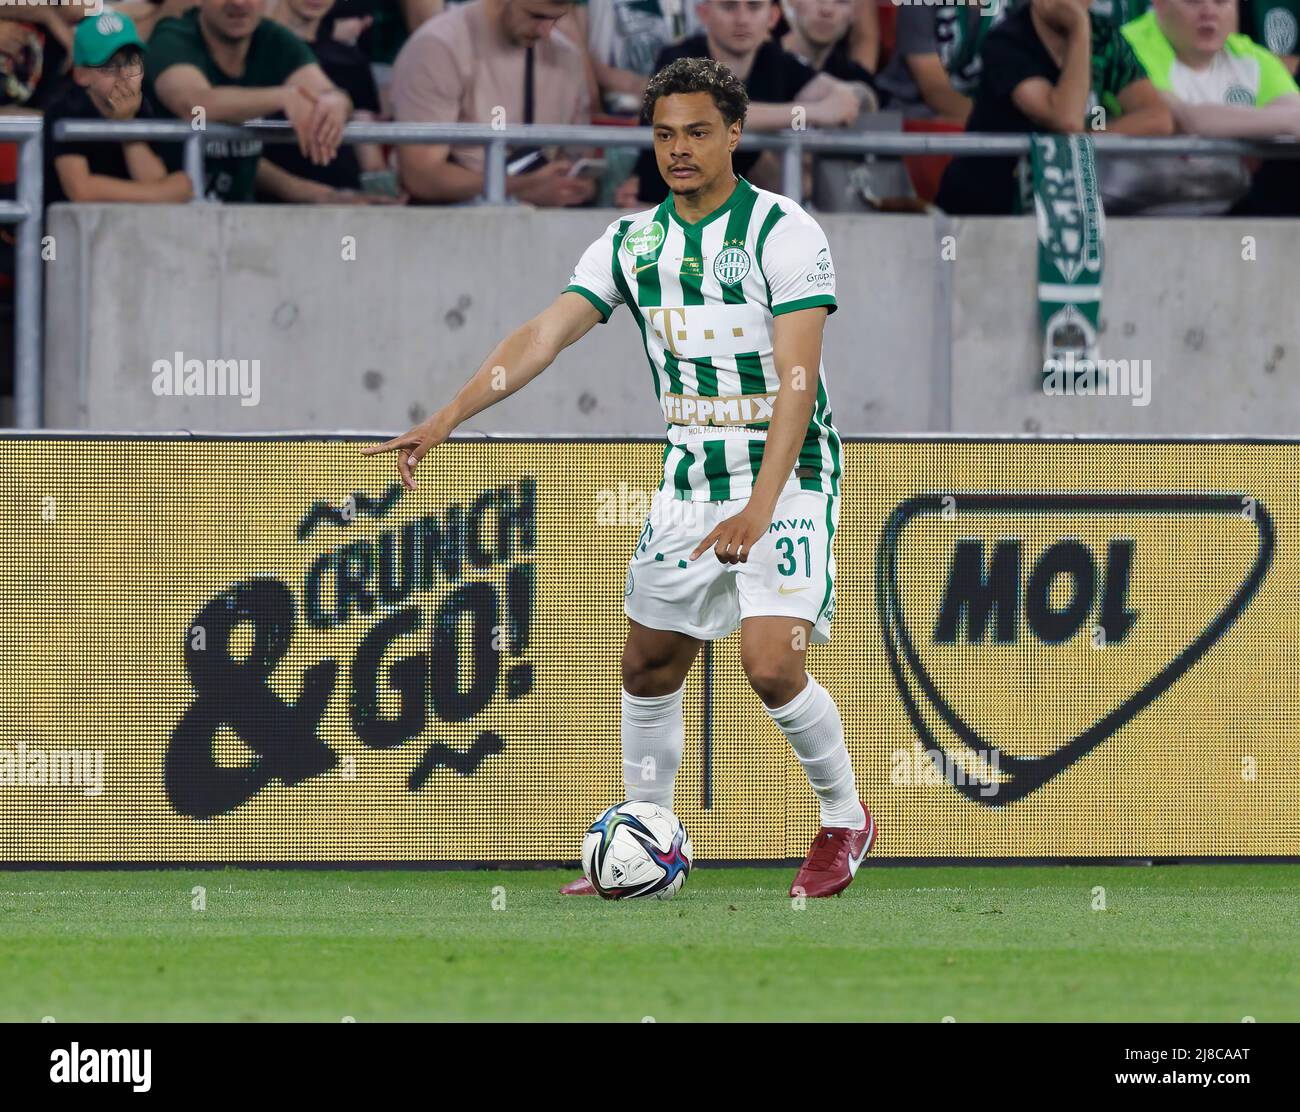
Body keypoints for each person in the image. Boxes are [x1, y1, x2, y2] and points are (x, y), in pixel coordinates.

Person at [364, 56, 874, 900]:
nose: (680, 149)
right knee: (647, 665)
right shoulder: (632, 241)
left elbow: (796, 381)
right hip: (688, 474)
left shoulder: (784, 232)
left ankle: (844, 817)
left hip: (786, 471)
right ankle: (643, 840)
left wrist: (756, 506)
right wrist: (448, 415)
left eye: (699, 132)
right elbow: (544, 334)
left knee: (769, 665)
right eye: (665, 133)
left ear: (735, 133)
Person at [616, 0, 866, 206]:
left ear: (773, 17)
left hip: (734, 222)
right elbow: (709, 113)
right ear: (704, 13)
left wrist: (836, 103)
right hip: (659, 212)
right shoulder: (676, 59)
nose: (742, 19)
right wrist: (811, 112)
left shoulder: (777, 62)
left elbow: (847, 99)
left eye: (754, 6)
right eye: (729, 6)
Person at [935, 0, 1173, 215]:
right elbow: (1066, 120)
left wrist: (1088, 139)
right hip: (984, 212)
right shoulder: (1006, 41)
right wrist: (1079, 30)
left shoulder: (1105, 37)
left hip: (1065, 207)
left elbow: (1158, 118)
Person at [145, 0, 357, 203]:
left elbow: (328, 92)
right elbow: (196, 106)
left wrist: (335, 103)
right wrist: (284, 96)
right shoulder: (173, 37)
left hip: (240, 217)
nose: (238, 2)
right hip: (161, 219)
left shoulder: (271, 37)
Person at [391, 0, 596, 206]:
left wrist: (577, 184)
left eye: (555, 19)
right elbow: (421, 176)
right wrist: (524, 188)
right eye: (536, 16)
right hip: (453, 217)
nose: (546, 31)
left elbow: (577, 159)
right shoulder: (438, 46)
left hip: (547, 220)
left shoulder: (567, 58)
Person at [1121, 0, 1300, 213]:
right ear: (1158, 3)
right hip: (1135, 211)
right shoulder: (1128, 45)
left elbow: (1293, 110)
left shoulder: (1251, 56)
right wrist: (1285, 121)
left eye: (1221, 2)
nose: (1209, 12)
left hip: (1225, 208)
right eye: (1192, 1)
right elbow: (1185, 118)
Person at [43, 12, 194, 204]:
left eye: (131, 62)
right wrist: (163, 192)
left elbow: (160, 182)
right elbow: (81, 191)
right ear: (81, 75)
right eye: (110, 65)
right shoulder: (65, 108)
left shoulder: (148, 102)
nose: (124, 75)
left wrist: (126, 124)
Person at [266, 0, 395, 197]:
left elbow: (370, 157)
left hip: (343, 203)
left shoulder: (351, 61)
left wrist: (385, 195)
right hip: (263, 202)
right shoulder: (250, 50)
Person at [874, 1, 1011, 123]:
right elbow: (935, 90)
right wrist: (996, 125)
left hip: (988, 118)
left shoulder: (1022, 5)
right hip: (913, 113)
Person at [780, 0, 876, 85]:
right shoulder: (767, 67)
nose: (827, 10)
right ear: (790, 2)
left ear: (855, 12)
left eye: (841, 1)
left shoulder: (856, 80)